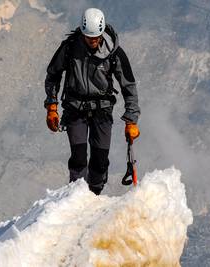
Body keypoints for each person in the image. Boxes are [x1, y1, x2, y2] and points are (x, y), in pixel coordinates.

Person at [44, 8, 140, 195]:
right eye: (89, 37)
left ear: (102, 33)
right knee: (78, 157)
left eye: (96, 37)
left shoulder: (114, 53)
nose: (93, 41)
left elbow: (129, 87)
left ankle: (94, 195)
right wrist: (52, 107)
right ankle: (76, 197)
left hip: (102, 111)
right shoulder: (70, 47)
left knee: (100, 160)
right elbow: (53, 75)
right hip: (75, 109)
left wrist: (131, 120)